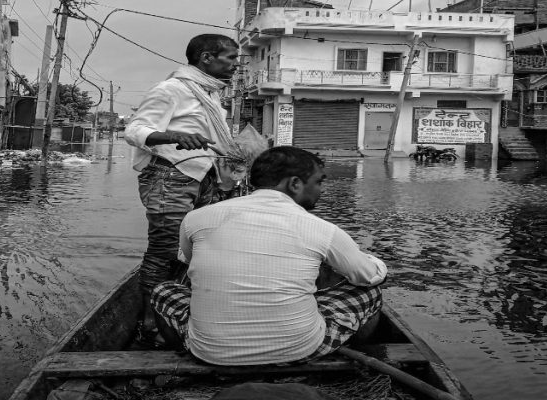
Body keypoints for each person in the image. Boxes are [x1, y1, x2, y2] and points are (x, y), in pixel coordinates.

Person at [150, 146, 388, 365]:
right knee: (370, 290)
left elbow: (189, 261)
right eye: (318, 182)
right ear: (295, 184)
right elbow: (367, 277)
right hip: (300, 349)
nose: (321, 190)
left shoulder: (196, 218)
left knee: (163, 291)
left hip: (210, 352)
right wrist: (375, 263)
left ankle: (183, 351)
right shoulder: (322, 229)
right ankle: (351, 354)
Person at [124, 33, 240, 340]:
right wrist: (173, 136)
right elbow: (135, 130)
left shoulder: (210, 94)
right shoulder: (172, 89)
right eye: (230, 58)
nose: (236, 65)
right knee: (164, 252)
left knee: (196, 248)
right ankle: (150, 322)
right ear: (206, 58)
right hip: (169, 178)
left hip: (202, 178)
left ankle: (177, 310)